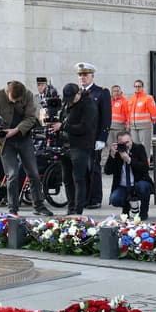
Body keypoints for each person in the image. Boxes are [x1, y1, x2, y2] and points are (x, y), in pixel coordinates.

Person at [0, 80, 53, 216]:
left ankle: (38, 206)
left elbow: (30, 118)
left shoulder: (27, 95)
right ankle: (12, 209)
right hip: (4, 141)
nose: (15, 102)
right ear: (7, 92)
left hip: (23, 137)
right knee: (12, 174)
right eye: (13, 99)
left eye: (18, 100)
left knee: (33, 173)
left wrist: (15, 130)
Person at [55, 83, 98, 215]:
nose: (70, 102)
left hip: (80, 146)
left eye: (72, 99)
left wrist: (63, 126)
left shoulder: (88, 105)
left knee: (78, 178)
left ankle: (78, 210)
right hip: (65, 145)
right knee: (66, 179)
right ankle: (70, 207)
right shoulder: (67, 104)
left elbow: (84, 127)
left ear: (78, 93)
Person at [75, 62, 111, 209]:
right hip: (80, 139)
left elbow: (106, 117)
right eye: (80, 75)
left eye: (85, 75)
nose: (82, 78)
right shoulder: (77, 93)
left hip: (94, 138)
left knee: (94, 169)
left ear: (92, 76)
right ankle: (84, 198)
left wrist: (102, 138)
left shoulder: (101, 92)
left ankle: (95, 198)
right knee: (82, 169)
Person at [105, 130, 154, 220]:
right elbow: (107, 171)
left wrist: (129, 160)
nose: (126, 145)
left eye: (127, 142)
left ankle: (143, 212)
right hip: (123, 186)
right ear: (117, 143)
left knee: (143, 187)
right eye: (122, 143)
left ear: (131, 140)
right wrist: (111, 155)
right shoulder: (116, 152)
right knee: (115, 199)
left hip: (138, 182)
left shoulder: (139, 148)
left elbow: (145, 168)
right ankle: (126, 208)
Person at [126, 79, 156, 159]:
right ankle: (137, 166)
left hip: (145, 127)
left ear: (142, 87)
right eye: (136, 86)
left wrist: (152, 122)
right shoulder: (131, 99)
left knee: (145, 148)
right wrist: (128, 124)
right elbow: (128, 113)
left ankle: (145, 167)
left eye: (139, 86)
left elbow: (154, 112)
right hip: (134, 127)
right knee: (135, 148)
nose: (137, 88)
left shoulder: (148, 98)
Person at [106, 85, 128, 162]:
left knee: (120, 147)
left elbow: (127, 114)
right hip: (110, 128)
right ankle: (112, 163)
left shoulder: (124, 101)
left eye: (117, 91)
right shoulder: (109, 101)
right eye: (114, 91)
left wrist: (127, 126)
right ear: (112, 92)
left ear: (120, 91)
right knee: (111, 147)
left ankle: (121, 163)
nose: (116, 92)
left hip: (120, 128)